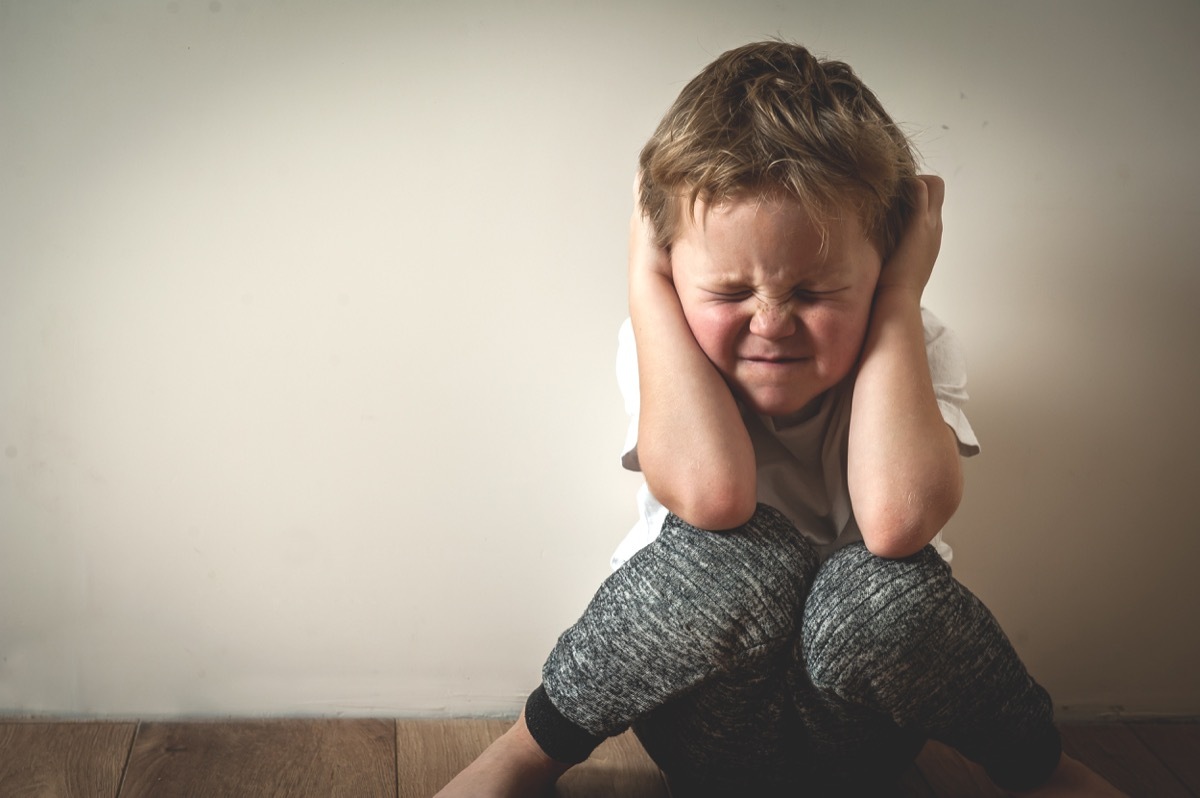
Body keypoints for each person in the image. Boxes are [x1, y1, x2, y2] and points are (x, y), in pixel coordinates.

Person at [436, 41, 1123, 797]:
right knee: (734, 556)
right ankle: (527, 754)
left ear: (887, 265)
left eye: (817, 292)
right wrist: (642, 281)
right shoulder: (663, 340)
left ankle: (1044, 770)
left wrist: (897, 304)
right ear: (669, 266)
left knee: (876, 588)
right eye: (729, 293)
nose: (771, 322)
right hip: (704, 717)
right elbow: (711, 496)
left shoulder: (912, 341)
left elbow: (898, 523)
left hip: (865, 723)